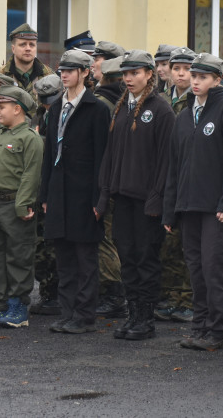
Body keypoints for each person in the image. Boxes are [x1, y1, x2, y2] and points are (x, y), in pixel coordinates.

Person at [163, 53, 223, 351]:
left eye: (201, 77)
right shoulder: (185, 115)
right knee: (196, 271)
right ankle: (199, 327)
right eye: (192, 76)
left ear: (216, 79)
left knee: (215, 271)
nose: (195, 81)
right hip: (189, 208)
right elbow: (175, 166)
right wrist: (171, 209)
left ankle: (218, 331)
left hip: (216, 210)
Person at [97, 50, 174, 341]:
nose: (129, 79)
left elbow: (166, 159)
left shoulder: (161, 109)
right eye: (125, 74)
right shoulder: (121, 107)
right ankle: (133, 314)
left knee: (146, 258)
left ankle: (146, 318)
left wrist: (157, 197)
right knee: (128, 257)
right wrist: (105, 194)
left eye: (135, 73)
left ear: (149, 74)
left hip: (147, 201)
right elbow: (111, 155)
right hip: (123, 197)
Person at [40, 50, 111, 334]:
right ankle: (67, 311)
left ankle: (84, 315)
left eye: (70, 70)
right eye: (62, 71)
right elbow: (49, 155)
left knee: (85, 258)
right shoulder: (56, 107)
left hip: (85, 195)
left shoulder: (97, 109)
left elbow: (102, 157)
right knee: (64, 256)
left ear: (85, 73)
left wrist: (99, 198)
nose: (64, 75)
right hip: (59, 193)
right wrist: (45, 195)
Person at [0, 85, 43, 328]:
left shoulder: (30, 138)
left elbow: (30, 175)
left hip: (14, 205)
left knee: (18, 256)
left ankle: (18, 305)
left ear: (17, 109)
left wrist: (23, 205)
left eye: (2, 107)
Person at [155, 46, 196, 323]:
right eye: (176, 68)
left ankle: (188, 300)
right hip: (167, 173)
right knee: (167, 243)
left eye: (186, 69)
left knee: (187, 245)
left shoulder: (196, 100)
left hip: (189, 175)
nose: (180, 74)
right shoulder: (161, 99)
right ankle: (170, 297)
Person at [91, 54, 127, 319]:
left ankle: (113, 295)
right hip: (118, 179)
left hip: (106, 180)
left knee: (104, 238)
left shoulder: (102, 102)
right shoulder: (122, 101)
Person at [28, 72, 64, 317]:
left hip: (56, 185)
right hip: (38, 184)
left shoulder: (63, 113)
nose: (47, 104)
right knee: (40, 245)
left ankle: (56, 294)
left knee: (53, 245)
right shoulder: (38, 116)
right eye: (44, 100)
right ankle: (48, 292)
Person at [0, 23, 54, 100]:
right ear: (13, 49)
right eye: (23, 45)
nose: (28, 48)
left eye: (32, 45)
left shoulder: (49, 76)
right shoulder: (0, 76)